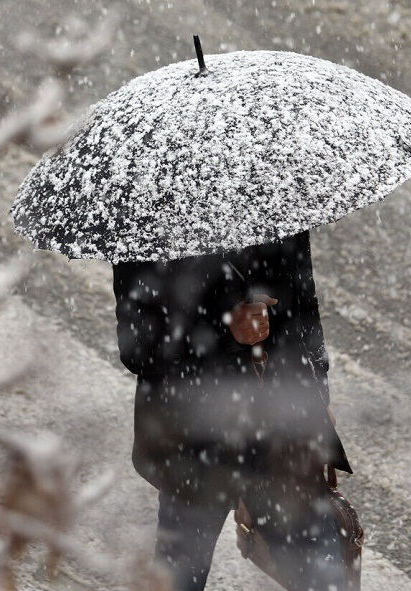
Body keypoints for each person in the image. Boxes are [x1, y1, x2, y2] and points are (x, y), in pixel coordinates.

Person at [112, 231, 352, 591]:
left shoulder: (276, 188)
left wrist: (318, 395)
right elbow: (138, 345)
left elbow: (303, 300)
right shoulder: (148, 216)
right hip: (193, 445)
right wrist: (225, 329)